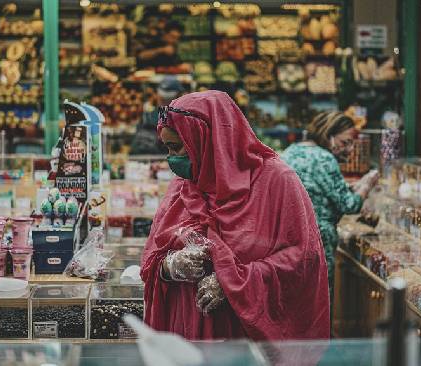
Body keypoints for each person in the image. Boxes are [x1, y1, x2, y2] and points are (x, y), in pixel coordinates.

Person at [141, 90, 330, 340]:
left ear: (208, 140)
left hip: (246, 337)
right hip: (187, 334)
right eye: (167, 148)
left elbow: (303, 258)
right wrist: (171, 266)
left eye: (177, 148)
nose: (171, 159)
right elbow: (152, 257)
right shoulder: (184, 184)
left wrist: (233, 282)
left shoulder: (276, 181)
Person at [281, 112, 379, 297]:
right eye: (345, 142)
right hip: (318, 243)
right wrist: (367, 183)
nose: (349, 150)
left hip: (287, 243)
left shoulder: (290, 152)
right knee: (319, 302)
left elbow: (317, 187)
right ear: (328, 135)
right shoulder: (325, 158)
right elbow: (349, 205)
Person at [131, 75, 184, 155]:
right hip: (151, 158)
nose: (165, 101)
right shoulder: (150, 115)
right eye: (163, 98)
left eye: (168, 99)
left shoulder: (150, 115)